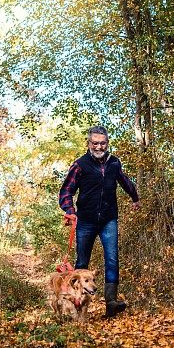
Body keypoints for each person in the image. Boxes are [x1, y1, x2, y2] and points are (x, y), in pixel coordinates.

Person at [59, 126, 141, 318]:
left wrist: (135, 198)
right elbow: (66, 192)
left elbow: (125, 181)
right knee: (81, 263)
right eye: (95, 143)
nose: (98, 146)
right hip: (85, 221)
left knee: (112, 260)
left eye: (102, 143)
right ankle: (76, 304)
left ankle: (111, 303)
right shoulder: (80, 165)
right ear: (89, 143)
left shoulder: (114, 163)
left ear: (107, 143)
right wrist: (70, 211)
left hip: (108, 219)